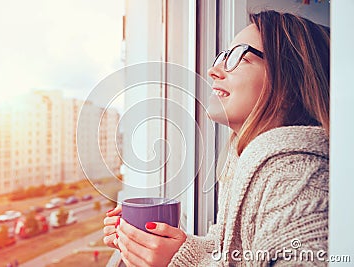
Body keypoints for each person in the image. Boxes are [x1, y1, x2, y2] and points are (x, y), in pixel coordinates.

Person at [103, 10, 329, 266]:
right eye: (222, 56)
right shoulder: (246, 159)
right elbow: (236, 253)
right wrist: (161, 246)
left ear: (290, 77)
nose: (213, 71)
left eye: (236, 56)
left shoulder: (296, 176)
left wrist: (180, 263)